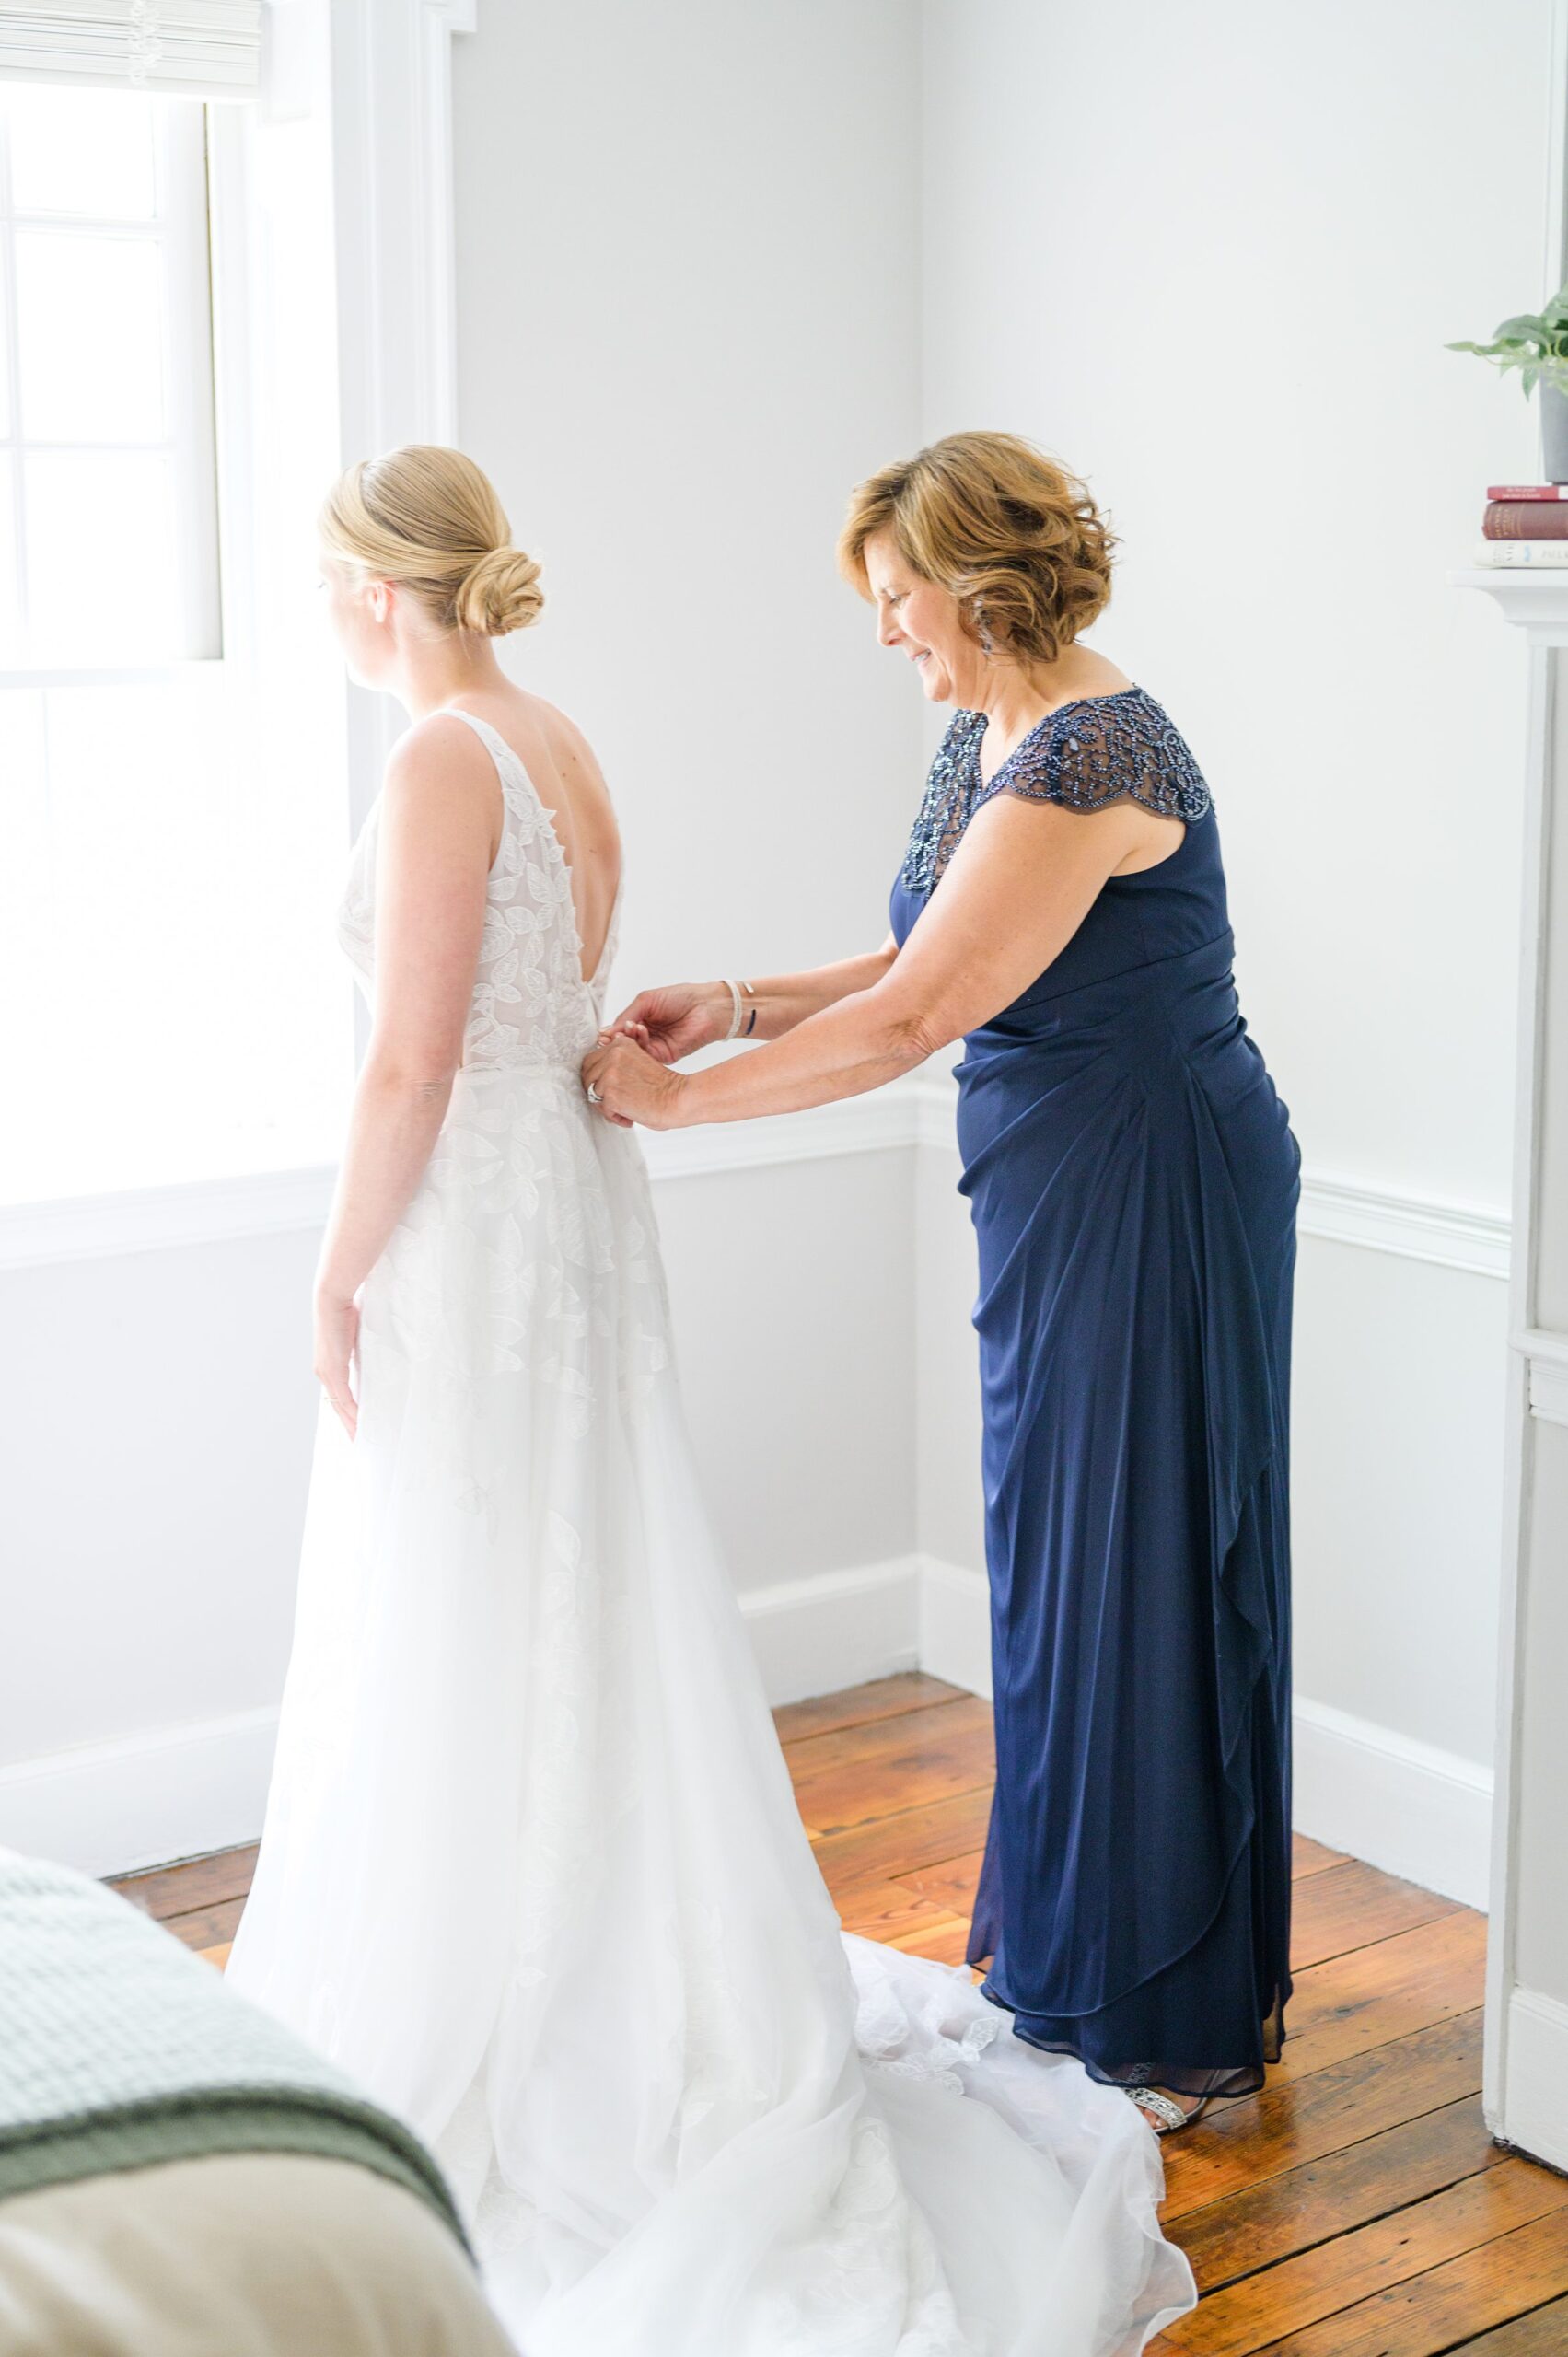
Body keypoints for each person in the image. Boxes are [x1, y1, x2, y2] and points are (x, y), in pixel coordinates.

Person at [223, 443, 1195, 2356]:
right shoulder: (553, 737)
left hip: (477, 1221)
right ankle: (596, 1956)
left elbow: (416, 1055)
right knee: (562, 1593)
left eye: (331, 579)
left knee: (474, 1596)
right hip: (564, 1205)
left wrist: (331, 1265)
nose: (326, 611)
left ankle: (514, 2007)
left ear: (379, 585)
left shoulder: (439, 757)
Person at [589, 429, 1300, 2137]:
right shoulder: (988, 732)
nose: (886, 634)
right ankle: (1076, 1953)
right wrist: (738, 1001)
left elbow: (919, 1020)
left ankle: (1154, 1997)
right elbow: (914, 952)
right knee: (1058, 1563)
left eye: (900, 601)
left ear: (981, 587)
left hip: (1155, 1184)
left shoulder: (1094, 755)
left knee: (1128, 1560)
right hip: (1057, 1185)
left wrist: (679, 1108)